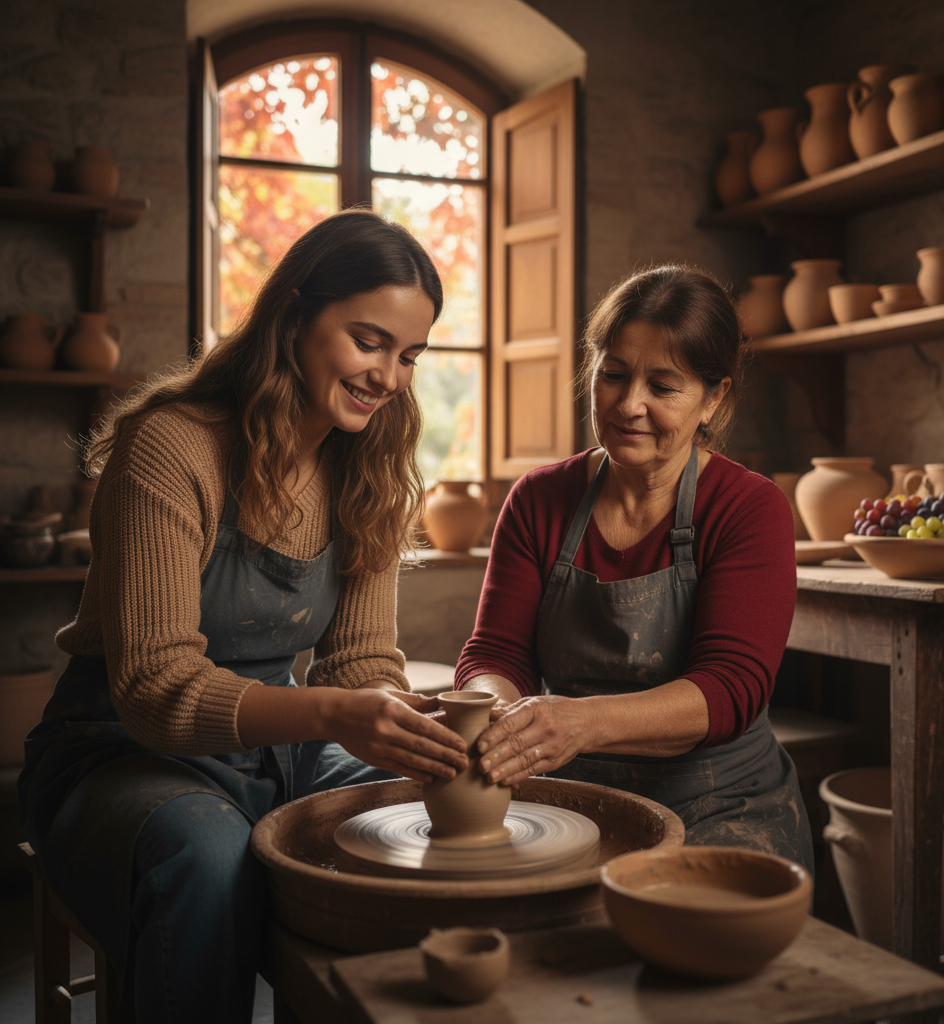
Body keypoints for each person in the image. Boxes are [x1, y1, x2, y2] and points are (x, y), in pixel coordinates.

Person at [17, 210, 468, 1023]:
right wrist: (335, 713)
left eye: (409, 356)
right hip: (117, 751)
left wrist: (412, 723)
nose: (390, 376)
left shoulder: (365, 467)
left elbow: (361, 665)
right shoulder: (171, 448)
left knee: (425, 806)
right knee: (208, 852)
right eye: (368, 341)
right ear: (294, 313)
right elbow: (155, 689)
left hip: (276, 751)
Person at [455, 264, 814, 872]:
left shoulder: (749, 508)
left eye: (664, 386)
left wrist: (580, 722)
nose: (629, 405)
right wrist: (490, 712)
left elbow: (730, 689)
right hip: (570, 796)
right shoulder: (539, 499)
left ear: (713, 397)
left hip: (718, 801)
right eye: (613, 375)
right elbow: (495, 654)